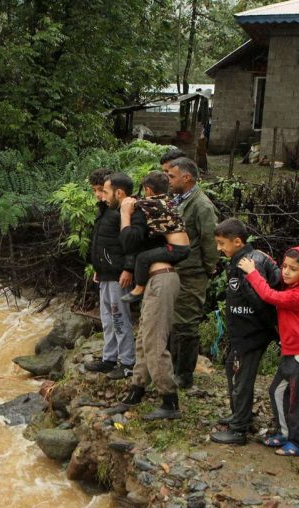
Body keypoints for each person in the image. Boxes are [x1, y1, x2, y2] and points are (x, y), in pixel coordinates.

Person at [110, 172, 182, 420]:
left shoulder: (140, 210)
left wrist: (125, 214)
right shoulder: (153, 210)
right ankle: (137, 390)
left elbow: (129, 241)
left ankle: (170, 402)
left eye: (105, 191)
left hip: (162, 280)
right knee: (143, 339)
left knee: (153, 342)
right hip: (155, 280)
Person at [209, 218, 281, 446]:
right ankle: (242, 416)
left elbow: (259, 302)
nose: (219, 248)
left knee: (241, 378)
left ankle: (239, 430)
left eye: (221, 243)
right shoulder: (240, 259)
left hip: (251, 334)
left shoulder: (248, 264)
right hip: (244, 332)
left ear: (237, 242)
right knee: (232, 368)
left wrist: (270, 328)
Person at [238, 246, 299, 457]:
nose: (286, 272)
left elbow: (269, 295)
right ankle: (284, 433)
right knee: (277, 391)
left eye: (294, 269)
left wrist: (252, 273)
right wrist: (266, 260)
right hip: (291, 351)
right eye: (284, 266)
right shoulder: (291, 287)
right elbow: (277, 279)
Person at [164, 157, 219, 389]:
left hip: (193, 272)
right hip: (178, 269)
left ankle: (184, 375)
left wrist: (207, 269)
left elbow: (210, 241)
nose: (168, 180)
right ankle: (172, 367)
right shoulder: (177, 199)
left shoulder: (202, 206)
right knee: (173, 320)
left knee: (186, 322)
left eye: (172, 176)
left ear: (187, 178)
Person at [84, 169, 136, 380]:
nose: (99, 195)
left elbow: (130, 243)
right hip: (106, 274)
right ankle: (109, 358)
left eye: (102, 191)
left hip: (118, 275)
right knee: (107, 318)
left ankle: (127, 362)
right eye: (96, 191)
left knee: (119, 318)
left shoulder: (121, 211)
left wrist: (128, 268)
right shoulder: (104, 211)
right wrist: (98, 267)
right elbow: (102, 243)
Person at [121, 172, 190, 303]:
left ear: (148, 189)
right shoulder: (168, 201)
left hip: (176, 249)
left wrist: (126, 206)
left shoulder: (151, 204)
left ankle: (139, 288)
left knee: (143, 258)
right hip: (184, 247)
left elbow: (135, 204)